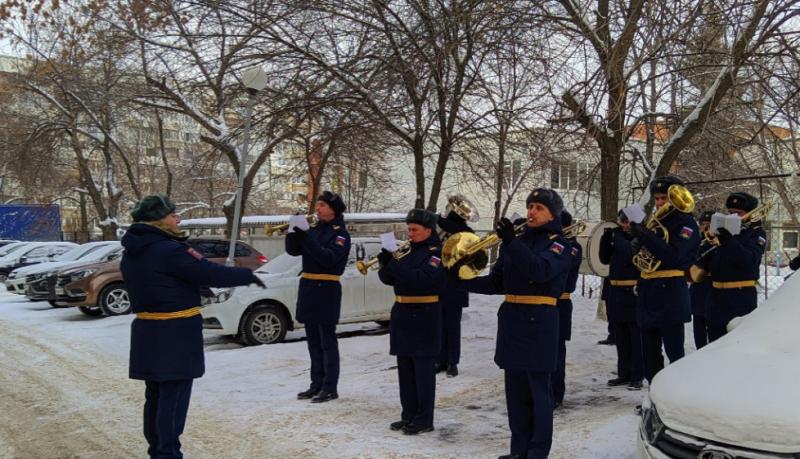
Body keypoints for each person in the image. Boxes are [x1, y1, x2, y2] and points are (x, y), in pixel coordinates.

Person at [121, 194, 264, 459]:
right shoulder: (169, 250)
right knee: (173, 398)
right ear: (157, 220)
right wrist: (247, 275)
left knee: (155, 396)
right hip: (174, 333)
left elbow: (164, 281)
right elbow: (210, 272)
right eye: (172, 214)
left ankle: (157, 450)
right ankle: (168, 453)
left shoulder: (133, 251)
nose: (178, 218)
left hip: (147, 331)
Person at [457, 188, 572, 459]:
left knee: (538, 395)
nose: (531, 212)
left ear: (552, 214)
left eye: (539, 208)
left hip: (540, 323)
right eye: (530, 206)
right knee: (516, 396)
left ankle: (537, 453)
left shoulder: (560, 244)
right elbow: (498, 283)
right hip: (513, 322)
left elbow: (540, 270)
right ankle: (519, 451)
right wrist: (462, 281)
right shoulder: (516, 242)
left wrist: (511, 242)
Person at [378, 208, 445, 435]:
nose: (411, 234)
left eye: (415, 230)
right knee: (405, 369)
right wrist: (384, 262)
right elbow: (389, 279)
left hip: (425, 313)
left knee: (423, 371)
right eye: (409, 230)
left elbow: (422, 279)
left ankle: (424, 418)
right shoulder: (406, 251)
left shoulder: (436, 253)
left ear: (428, 230)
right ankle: (408, 415)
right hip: (403, 312)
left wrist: (395, 265)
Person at [629, 176, 699, 384]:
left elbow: (674, 257)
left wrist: (645, 236)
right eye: (657, 199)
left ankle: (677, 395)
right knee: (649, 354)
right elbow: (645, 257)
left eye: (663, 199)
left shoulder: (687, 225)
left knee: (674, 352)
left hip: (671, 293)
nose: (659, 203)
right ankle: (653, 394)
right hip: (648, 291)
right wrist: (636, 244)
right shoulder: (656, 223)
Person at [286, 191, 351, 403]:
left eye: (322, 205)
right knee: (313, 340)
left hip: (327, 288)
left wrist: (307, 238)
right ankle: (316, 384)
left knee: (327, 341)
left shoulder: (340, 234)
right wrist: (293, 231)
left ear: (333, 209)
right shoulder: (314, 229)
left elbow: (328, 258)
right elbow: (293, 251)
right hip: (309, 286)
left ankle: (330, 386)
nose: (317, 208)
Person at [703, 192, 766, 342]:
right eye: (730, 213)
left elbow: (749, 261)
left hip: (740, 296)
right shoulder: (723, 234)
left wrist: (729, 241)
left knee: (737, 342)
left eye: (738, 213)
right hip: (716, 296)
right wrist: (706, 244)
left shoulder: (757, 233)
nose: (732, 216)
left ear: (749, 213)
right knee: (713, 344)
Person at [598, 210, 643, 390]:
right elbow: (604, 258)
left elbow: (628, 255)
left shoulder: (640, 238)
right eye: (621, 221)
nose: (624, 225)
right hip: (615, 289)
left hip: (633, 290)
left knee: (635, 336)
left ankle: (637, 375)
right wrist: (605, 241)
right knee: (620, 335)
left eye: (627, 221)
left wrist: (618, 239)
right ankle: (623, 373)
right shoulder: (617, 237)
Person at [435, 201, 474, 377]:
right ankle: (441, 360)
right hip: (437, 282)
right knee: (439, 325)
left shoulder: (467, 234)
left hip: (455, 284)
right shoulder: (439, 227)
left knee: (452, 326)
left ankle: (452, 362)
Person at [552, 210, 582, 408]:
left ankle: (556, 393)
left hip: (561, 303)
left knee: (557, 351)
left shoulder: (572, 247)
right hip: (546, 303)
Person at [689, 210, 715, 349]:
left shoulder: (719, 241)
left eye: (709, 224)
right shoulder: (696, 241)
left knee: (712, 325)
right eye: (703, 224)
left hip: (712, 285)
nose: (705, 227)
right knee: (698, 324)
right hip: (698, 286)